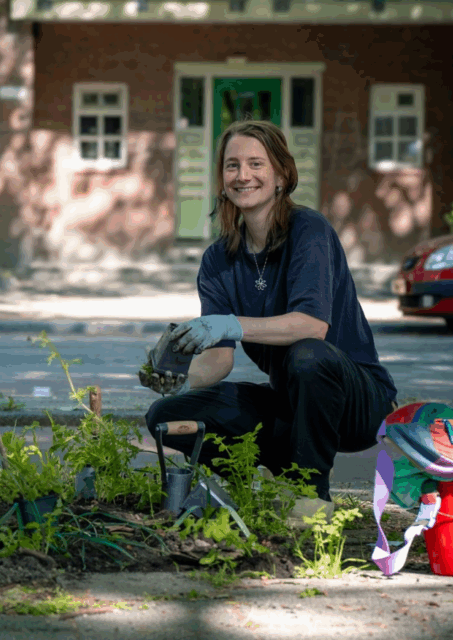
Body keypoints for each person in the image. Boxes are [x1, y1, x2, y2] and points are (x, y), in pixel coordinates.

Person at [139, 119, 397, 522]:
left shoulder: (308, 231)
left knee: (308, 355)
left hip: (357, 401)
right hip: (293, 402)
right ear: (222, 181)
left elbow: (313, 326)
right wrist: (181, 378)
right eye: (232, 166)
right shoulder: (218, 260)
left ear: (281, 175)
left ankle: (312, 497)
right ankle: (261, 481)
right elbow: (220, 360)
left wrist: (229, 324)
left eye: (256, 164)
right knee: (165, 417)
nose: (243, 175)